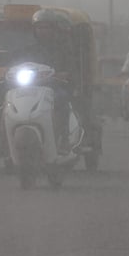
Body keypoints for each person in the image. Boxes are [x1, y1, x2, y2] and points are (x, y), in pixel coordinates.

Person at [13, 9, 77, 153]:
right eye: (39, 27)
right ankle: (4, 140)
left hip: (53, 88)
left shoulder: (62, 50)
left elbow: (71, 69)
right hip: (28, 89)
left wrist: (63, 75)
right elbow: (16, 64)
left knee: (62, 99)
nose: (43, 31)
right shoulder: (28, 50)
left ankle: (64, 139)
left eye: (46, 27)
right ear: (34, 30)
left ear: (53, 29)